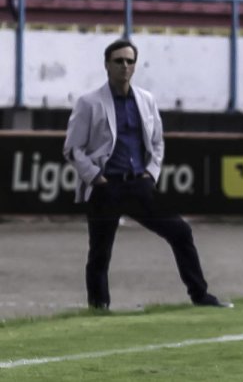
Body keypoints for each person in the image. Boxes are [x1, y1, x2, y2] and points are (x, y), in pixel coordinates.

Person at [63, 39, 231, 311]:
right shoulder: (89, 103)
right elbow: (73, 148)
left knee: (180, 231)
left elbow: (157, 142)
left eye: (130, 61)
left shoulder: (146, 100)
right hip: (106, 187)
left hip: (139, 185)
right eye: (119, 61)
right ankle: (99, 306)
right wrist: (96, 177)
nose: (125, 66)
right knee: (100, 253)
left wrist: (151, 174)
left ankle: (200, 295)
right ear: (107, 65)